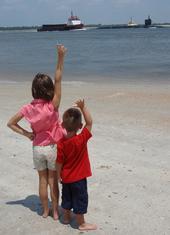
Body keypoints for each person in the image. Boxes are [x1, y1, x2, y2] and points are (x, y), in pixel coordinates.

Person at [7, 45, 67, 220]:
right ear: (49, 90)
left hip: (37, 149)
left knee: (42, 180)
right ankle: (56, 211)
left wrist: (27, 134)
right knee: (52, 180)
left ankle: (45, 211)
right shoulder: (52, 105)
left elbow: (11, 123)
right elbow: (59, 79)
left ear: (34, 90)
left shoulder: (28, 108)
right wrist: (60, 57)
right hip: (53, 148)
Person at [56, 99, 97, 231]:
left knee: (67, 197)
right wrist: (83, 107)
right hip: (79, 179)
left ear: (63, 125)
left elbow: (59, 162)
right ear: (80, 126)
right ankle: (81, 223)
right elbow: (90, 122)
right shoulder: (81, 138)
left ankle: (66, 217)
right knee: (80, 199)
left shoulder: (61, 143)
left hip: (66, 177)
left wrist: (58, 175)